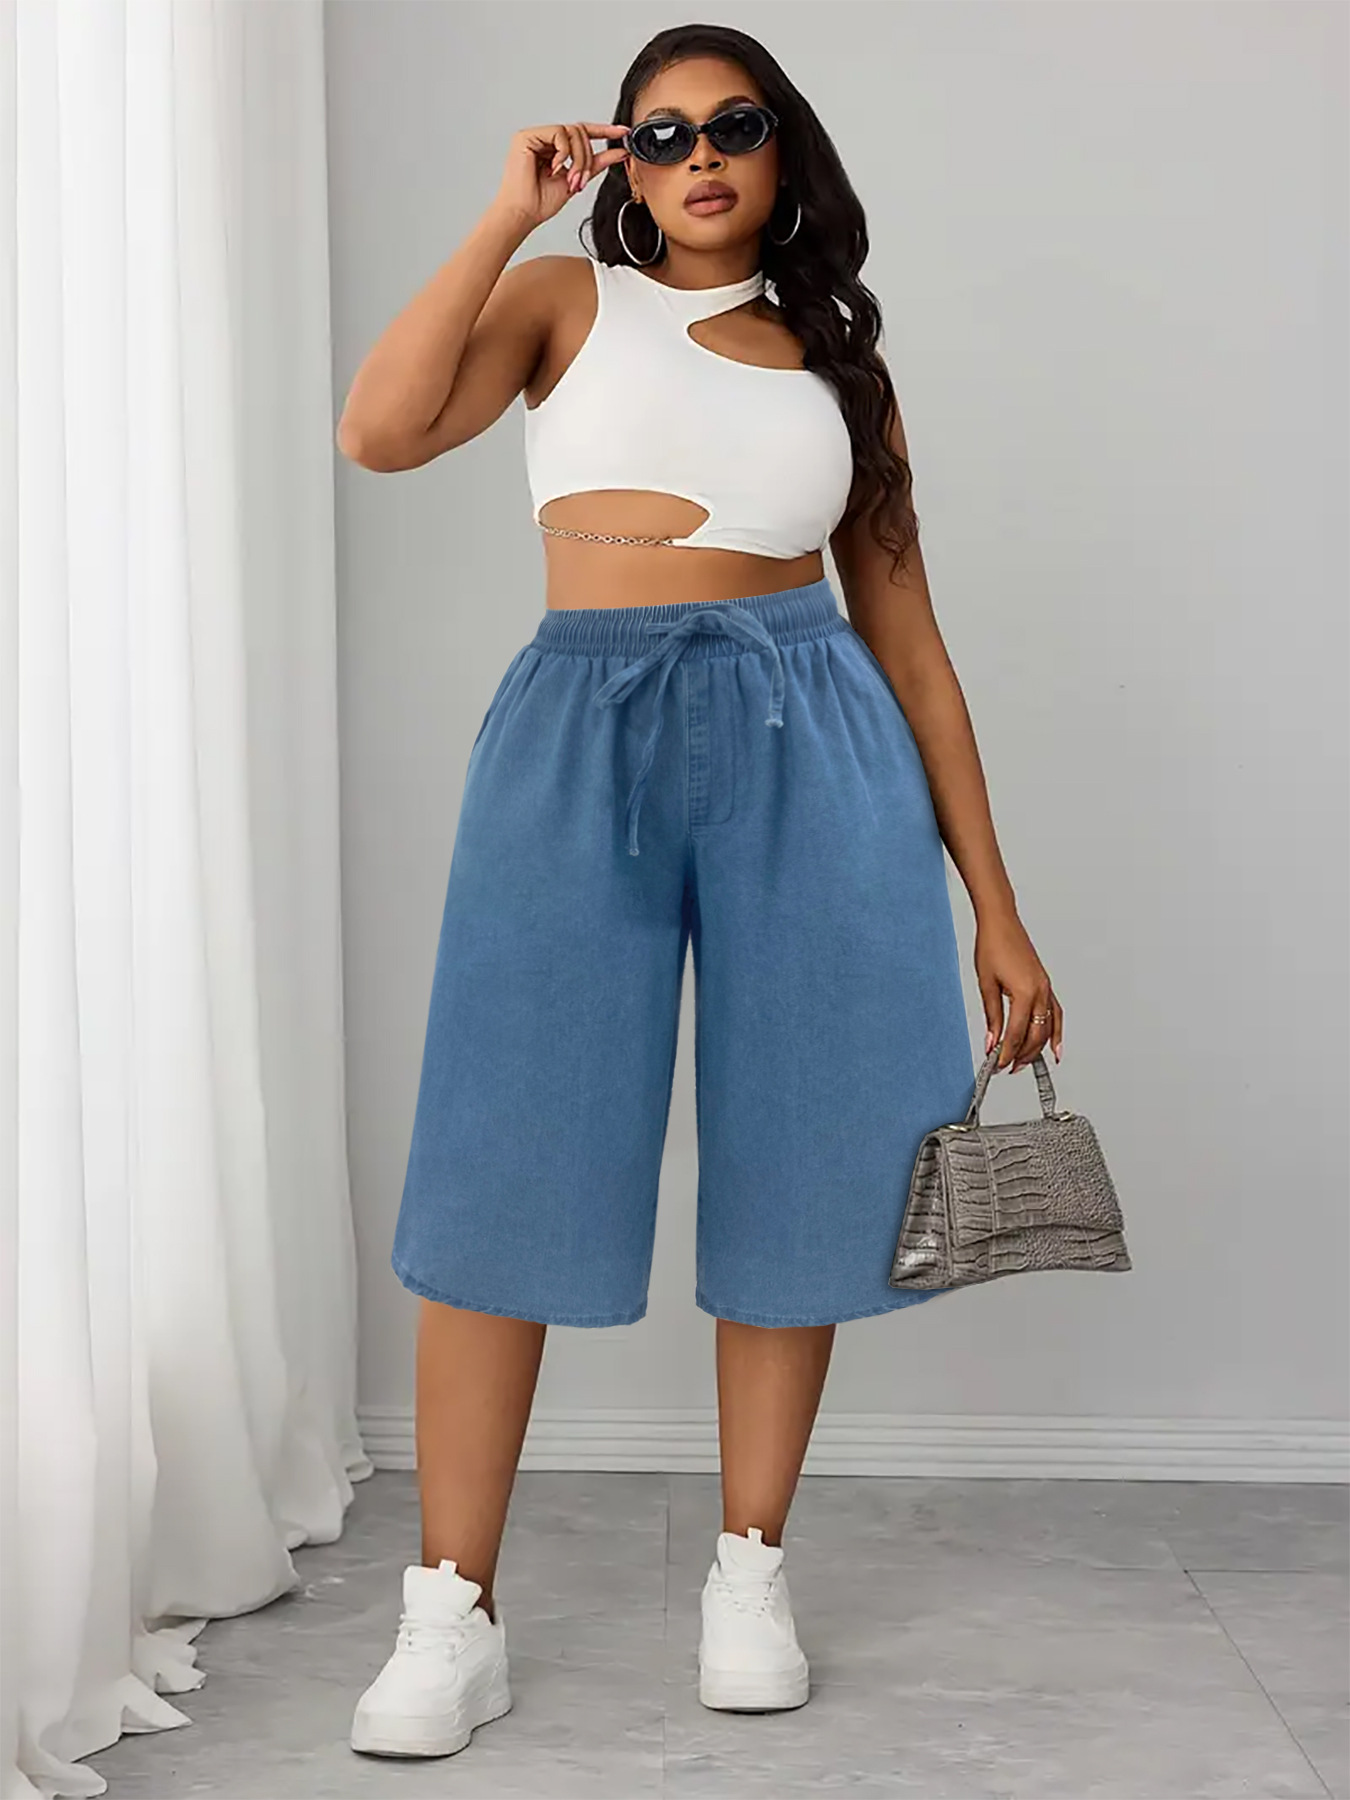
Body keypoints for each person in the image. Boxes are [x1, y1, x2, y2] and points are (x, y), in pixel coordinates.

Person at [337, 21, 1062, 1763]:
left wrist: (996, 903)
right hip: (576, 730)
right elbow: (378, 431)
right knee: (506, 1146)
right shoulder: (560, 303)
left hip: (812, 734)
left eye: (731, 125)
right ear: (620, 165)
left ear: (782, 149)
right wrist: (503, 216)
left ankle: (749, 1573)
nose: (698, 157)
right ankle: (450, 1613)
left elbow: (911, 643)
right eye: (657, 136)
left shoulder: (840, 369)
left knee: (806, 1150)